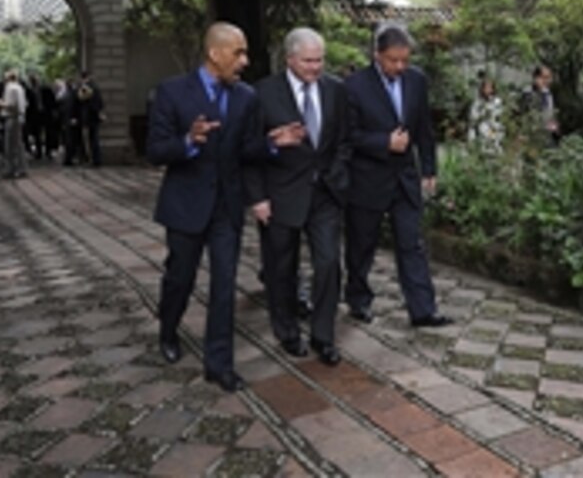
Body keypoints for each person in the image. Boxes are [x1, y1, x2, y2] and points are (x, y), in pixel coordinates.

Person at [146, 21, 263, 393]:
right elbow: (155, 150)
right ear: (215, 54)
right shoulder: (172, 92)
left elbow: (245, 150)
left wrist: (274, 144)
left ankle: (219, 365)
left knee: (224, 285)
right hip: (186, 205)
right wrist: (188, 140)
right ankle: (168, 330)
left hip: (227, 208)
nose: (245, 60)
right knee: (180, 278)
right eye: (238, 52)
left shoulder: (246, 97)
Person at [245, 27, 350, 366]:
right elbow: (247, 152)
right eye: (308, 61)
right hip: (280, 195)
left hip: (325, 195)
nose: (315, 67)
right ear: (290, 59)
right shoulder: (262, 93)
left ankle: (323, 335)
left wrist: (336, 174)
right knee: (281, 268)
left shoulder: (336, 90)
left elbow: (344, 140)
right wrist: (258, 198)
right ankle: (287, 330)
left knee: (329, 263)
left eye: (320, 60)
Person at [343, 23, 451, 328]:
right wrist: (383, 142)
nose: (400, 66)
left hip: (404, 177)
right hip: (367, 180)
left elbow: (424, 130)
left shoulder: (416, 81)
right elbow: (348, 136)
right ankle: (358, 299)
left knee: (411, 243)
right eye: (393, 60)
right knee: (361, 244)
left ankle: (423, 310)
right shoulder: (354, 86)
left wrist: (429, 168)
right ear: (377, 56)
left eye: (405, 60)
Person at [0, 70, 28, 178]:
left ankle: (12, 169)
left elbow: (11, 105)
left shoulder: (10, 88)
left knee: (10, 145)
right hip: (19, 118)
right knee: (18, 144)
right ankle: (21, 168)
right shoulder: (19, 87)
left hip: (12, 117)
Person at [519, 65, 560, 148]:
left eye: (549, 77)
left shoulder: (548, 93)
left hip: (547, 134)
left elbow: (550, 112)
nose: (548, 81)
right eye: (545, 77)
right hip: (532, 134)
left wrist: (554, 126)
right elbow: (524, 114)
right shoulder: (528, 94)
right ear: (536, 78)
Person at [467, 76, 504, 155]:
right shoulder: (477, 102)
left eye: (490, 88)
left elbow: (499, 116)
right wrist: (483, 113)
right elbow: (473, 118)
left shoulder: (497, 101)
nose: (488, 90)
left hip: (494, 130)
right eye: (486, 88)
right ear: (482, 89)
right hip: (481, 130)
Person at [76, 70, 104, 166]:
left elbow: (81, 100)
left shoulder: (86, 88)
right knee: (94, 139)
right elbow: (100, 103)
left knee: (91, 140)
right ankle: (96, 159)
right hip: (94, 116)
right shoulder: (95, 87)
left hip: (89, 116)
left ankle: (94, 160)